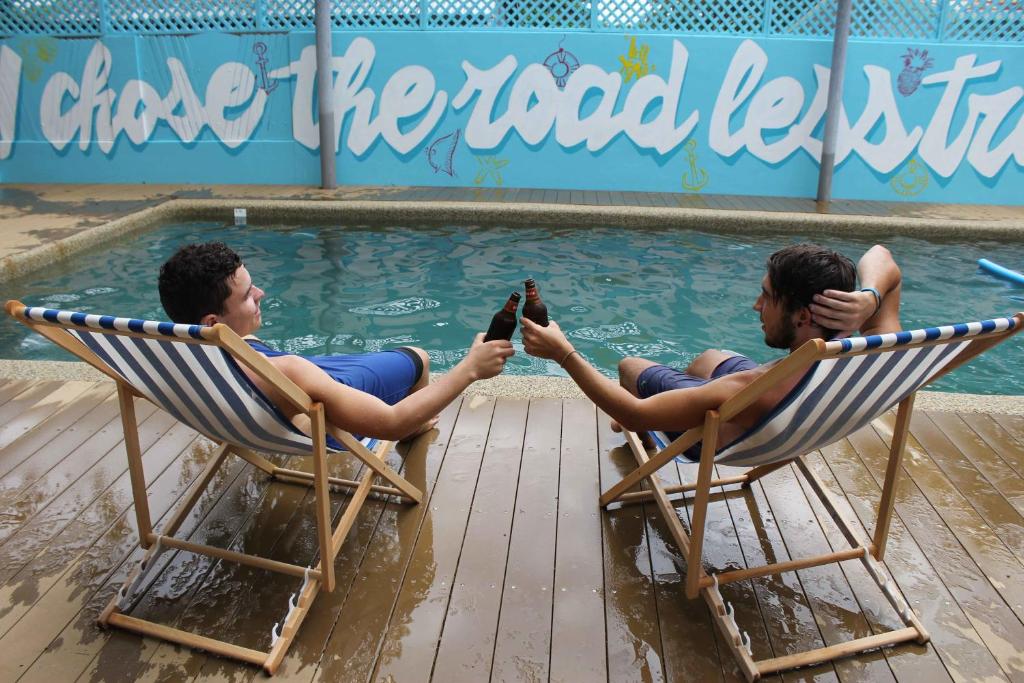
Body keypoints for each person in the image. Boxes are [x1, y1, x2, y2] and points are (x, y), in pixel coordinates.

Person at [520, 243, 902, 457]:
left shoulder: (753, 387)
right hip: (799, 417)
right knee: (710, 357)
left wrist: (563, 353)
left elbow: (633, 413)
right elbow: (882, 257)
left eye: (767, 297)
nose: (756, 306)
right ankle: (682, 396)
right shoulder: (872, 353)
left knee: (630, 366)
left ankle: (665, 421)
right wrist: (870, 298)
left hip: (722, 433)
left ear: (802, 316)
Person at [158, 242, 514, 442]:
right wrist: (470, 369)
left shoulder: (170, 353)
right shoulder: (288, 370)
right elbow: (389, 422)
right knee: (417, 356)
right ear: (212, 321)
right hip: (296, 384)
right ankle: (417, 430)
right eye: (249, 295)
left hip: (254, 400)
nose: (261, 293)